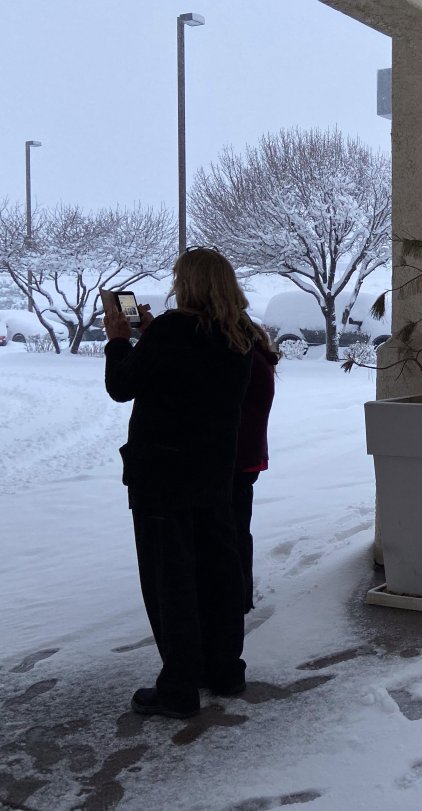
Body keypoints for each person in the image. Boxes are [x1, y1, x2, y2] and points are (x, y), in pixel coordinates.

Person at [104, 248, 256, 719]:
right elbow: (193, 375)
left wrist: (119, 340)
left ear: (186, 284)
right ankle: (225, 670)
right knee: (216, 572)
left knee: (171, 580)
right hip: (215, 474)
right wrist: (152, 337)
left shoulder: (171, 331)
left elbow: (122, 385)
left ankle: (179, 688)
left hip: (162, 479)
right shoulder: (241, 336)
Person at [233, 325, 279, 613]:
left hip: (235, 457)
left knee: (232, 531)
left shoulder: (245, 360)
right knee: (238, 529)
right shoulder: (258, 355)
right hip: (248, 456)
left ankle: (237, 598)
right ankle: (241, 596)